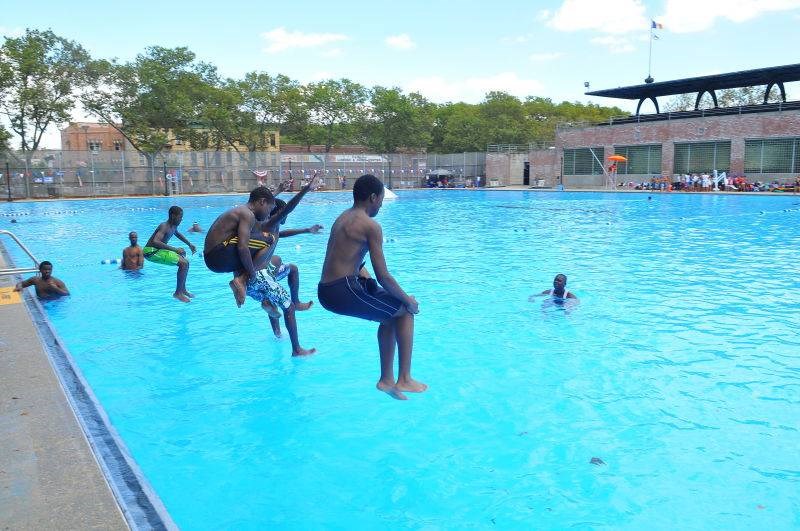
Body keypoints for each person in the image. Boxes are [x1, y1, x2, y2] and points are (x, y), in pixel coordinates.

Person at [318, 174, 426, 400]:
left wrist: (367, 280)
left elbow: (347, 259)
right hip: (342, 290)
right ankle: (404, 378)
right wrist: (408, 300)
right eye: (381, 200)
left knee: (388, 316)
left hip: (329, 289)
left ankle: (386, 380)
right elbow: (384, 276)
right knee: (405, 311)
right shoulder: (370, 226)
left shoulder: (342, 218)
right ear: (373, 197)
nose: (380, 205)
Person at [204, 177, 318, 307]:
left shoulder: (247, 211)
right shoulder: (247, 214)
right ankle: (242, 280)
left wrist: (278, 191)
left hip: (216, 259)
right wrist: (251, 274)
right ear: (263, 203)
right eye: (270, 209)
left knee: (261, 239)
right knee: (268, 240)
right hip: (218, 254)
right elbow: (242, 247)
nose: (269, 214)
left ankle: (242, 280)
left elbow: (262, 202)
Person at [143, 206, 196, 302]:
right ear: (172, 216)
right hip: (150, 252)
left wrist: (189, 244)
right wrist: (176, 250)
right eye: (180, 217)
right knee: (183, 263)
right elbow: (156, 241)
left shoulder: (173, 226)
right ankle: (177, 293)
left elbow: (177, 234)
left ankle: (182, 289)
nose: (181, 219)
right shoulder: (164, 226)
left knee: (186, 262)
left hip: (158, 250)